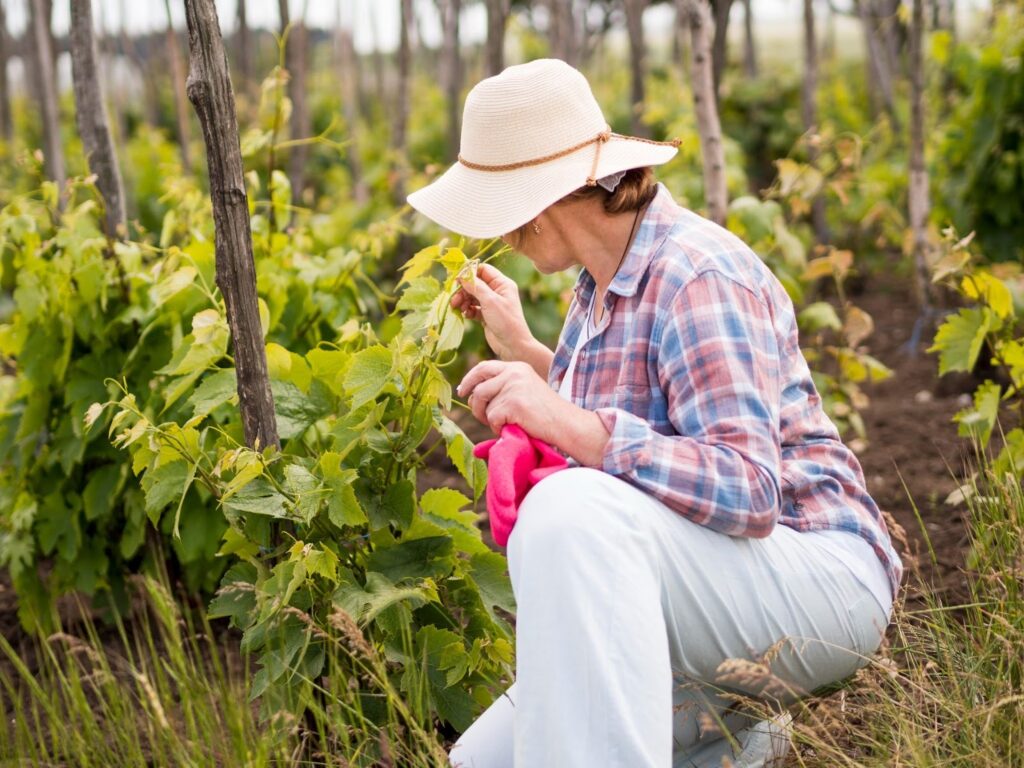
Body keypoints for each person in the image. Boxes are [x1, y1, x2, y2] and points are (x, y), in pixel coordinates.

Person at [407, 59, 902, 768]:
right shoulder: (598, 287)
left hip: (819, 577)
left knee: (571, 514)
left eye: (503, 211)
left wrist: (564, 421)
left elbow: (748, 489)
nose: (505, 235)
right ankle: (731, 725)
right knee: (482, 762)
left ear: (541, 202)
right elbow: (638, 422)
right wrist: (526, 352)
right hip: (726, 580)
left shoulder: (696, 275)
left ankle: (726, 715)